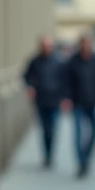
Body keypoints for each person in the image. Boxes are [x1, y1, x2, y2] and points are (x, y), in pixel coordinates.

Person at [23, 35, 70, 169]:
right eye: (44, 46)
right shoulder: (35, 61)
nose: (47, 48)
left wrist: (65, 98)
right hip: (41, 100)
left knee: (53, 130)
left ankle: (51, 154)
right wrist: (30, 87)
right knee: (45, 130)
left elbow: (64, 81)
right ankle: (47, 155)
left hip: (55, 100)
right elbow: (26, 76)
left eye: (49, 46)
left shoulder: (59, 62)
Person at [66, 34, 95, 178]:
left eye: (89, 44)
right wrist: (67, 98)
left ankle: (87, 157)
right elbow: (67, 81)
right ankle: (81, 163)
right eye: (84, 44)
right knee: (78, 134)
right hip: (78, 102)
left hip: (93, 102)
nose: (86, 46)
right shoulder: (73, 61)